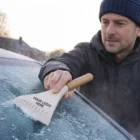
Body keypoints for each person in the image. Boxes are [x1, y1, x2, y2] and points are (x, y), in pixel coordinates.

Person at [39, 0, 140, 139]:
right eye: (105, 22)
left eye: (120, 23)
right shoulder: (86, 52)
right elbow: (60, 63)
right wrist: (58, 71)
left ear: (138, 30)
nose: (109, 31)